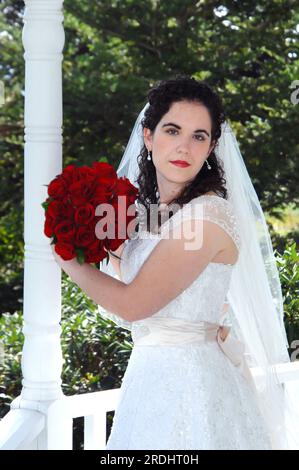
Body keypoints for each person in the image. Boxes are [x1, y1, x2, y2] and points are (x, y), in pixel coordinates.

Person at [52, 75, 299, 450]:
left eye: (199, 136)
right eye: (172, 130)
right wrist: (89, 231)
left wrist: (65, 256)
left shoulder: (208, 216)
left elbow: (133, 304)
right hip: (148, 379)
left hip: (191, 385)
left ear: (212, 146)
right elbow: (139, 284)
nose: (185, 146)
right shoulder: (154, 215)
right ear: (149, 137)